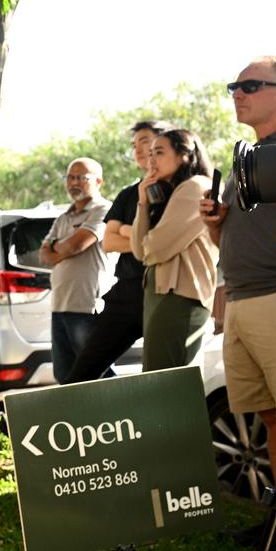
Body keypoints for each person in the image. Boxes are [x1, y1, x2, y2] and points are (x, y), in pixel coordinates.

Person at [201, 55, 276, 551]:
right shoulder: (246, 156)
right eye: (234, 86)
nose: (238, 93)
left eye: (251, 85)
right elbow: (234, 240)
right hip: (241, 301)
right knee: (273, 418)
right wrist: (218, 223)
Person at [66, 121, 171, 382]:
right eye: (134, 145)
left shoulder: (182, 191)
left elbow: (166, 244)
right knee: (81, 375)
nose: (138, 150)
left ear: (165, 144)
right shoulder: (127, 195)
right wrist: (139, 237)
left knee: (163, 380)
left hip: (167, 293)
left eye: (144, 141)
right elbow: (108, 243)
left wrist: (127, 231)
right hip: (126, 294)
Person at [132, 129, 217, 370]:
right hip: (162, 295)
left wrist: (149, 244)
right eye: (150, 154)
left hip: (179, 297)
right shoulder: (169, 193)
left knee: (167, 382)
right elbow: (140, 251)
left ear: (185, 156)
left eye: (159, 152)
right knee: (160, 379)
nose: (151, 160)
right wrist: (143, 202)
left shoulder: (195, 187)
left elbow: (155, 248)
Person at [39, 158, 111, 384]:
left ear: (99, 181)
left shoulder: (103, 209)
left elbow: (77, 244)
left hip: (87, 306)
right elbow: (43, 256)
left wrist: (57, 246)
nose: (74, 183)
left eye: (82, 177)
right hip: (60, 305)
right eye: (70, 177)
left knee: (95, 375)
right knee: (65, 376)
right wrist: (61, 247)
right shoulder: (63, 217)